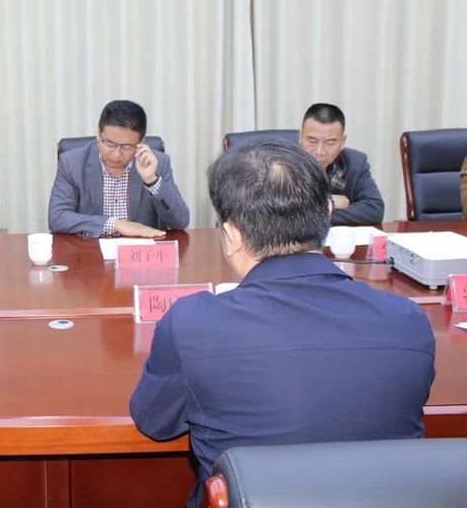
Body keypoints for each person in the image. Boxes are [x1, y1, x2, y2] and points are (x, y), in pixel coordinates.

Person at [129, 140, 435, 508]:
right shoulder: (408, 320)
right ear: (326, 214)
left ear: (232, 235)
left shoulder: (192, 324)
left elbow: (154, 422)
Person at [48, 100, 189, 237]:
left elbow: (180, 222)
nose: (116, 154)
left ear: (141, 141)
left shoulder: (157, 163)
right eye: (110, 144)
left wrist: (152, 181)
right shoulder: (72, 163)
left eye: (127, 146)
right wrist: (116, 224)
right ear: (98, 133)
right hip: (90, 248)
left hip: (139, 250)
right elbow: (57, 218)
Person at [299, 103, 384, 224]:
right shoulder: (280, 162)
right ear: (300, 136)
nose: (319, 151)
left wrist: (322, 215)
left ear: (343, 141)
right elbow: (277, 211)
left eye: (330, 143)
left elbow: (374, 209)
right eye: (312, 141)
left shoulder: (355, 162)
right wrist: (332, 201)